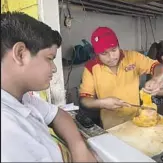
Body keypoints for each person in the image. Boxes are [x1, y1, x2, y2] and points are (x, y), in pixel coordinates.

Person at [1, 12, 96, 162]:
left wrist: (79, 148)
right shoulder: (6, 132)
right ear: (20, 54)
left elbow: (58, 115)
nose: (54, 68)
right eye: (49, 58)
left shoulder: (20, 97)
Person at [78, 27, 163, 130]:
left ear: (118, 45)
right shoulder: (91, 68)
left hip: (138, 122)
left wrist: (156, 80)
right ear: (96, 53)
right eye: (104, 53)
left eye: (114, 50)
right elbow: (84, 100)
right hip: (111, 128)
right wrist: (102, 103)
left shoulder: (133, 57)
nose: (111, 57)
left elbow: (160, 67)